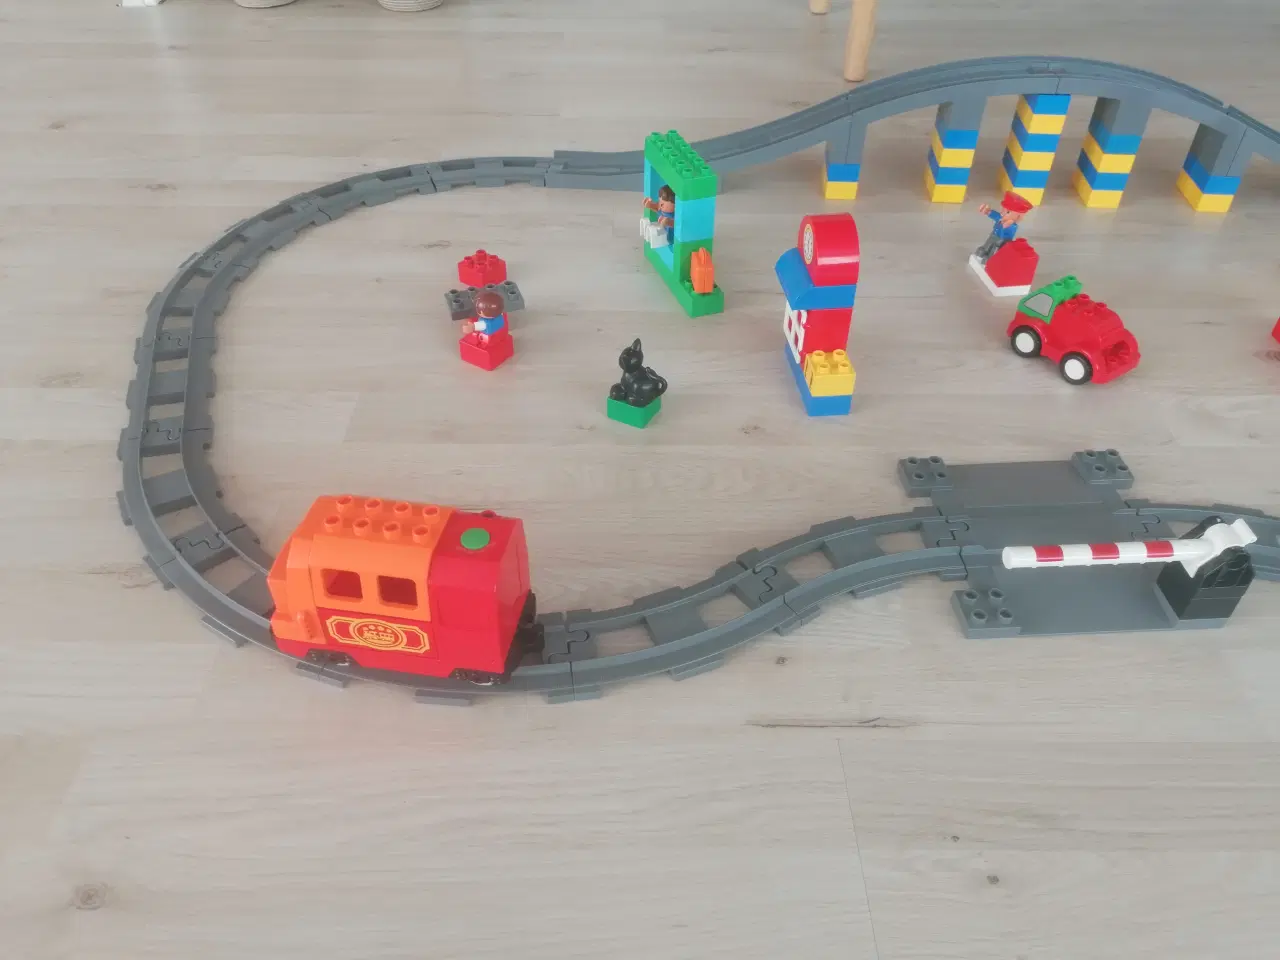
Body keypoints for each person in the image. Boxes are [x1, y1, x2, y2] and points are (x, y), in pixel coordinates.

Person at [974, 191, 1033, 262]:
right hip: (994, 235)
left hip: (1002, 240)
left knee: (996, 248)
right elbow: (994, 215)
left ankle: (992, 259)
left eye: (1008, 212)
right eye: (1003, 209)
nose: (1002, 213)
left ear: (1018, 216)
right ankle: (984, 251)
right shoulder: (1001, 217)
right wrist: (987, 211)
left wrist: (1005, 226)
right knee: (989, 243)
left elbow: (1007, 234)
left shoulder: (1013, 226)